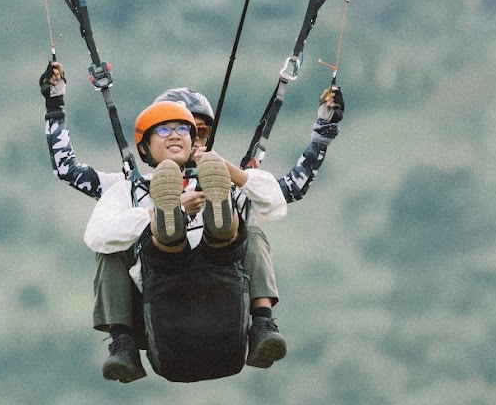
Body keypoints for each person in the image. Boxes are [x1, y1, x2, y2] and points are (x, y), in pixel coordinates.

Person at [43, 62, 343, 382]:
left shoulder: (230, 183)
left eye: (195, 130)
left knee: (248, 231)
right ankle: (124, 342)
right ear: (148, 143)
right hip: (161, 290)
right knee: (114, 246)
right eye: (168, 128)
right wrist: (54, 105)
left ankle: (262, 325)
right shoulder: (131, 187)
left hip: (222, 285)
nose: (187, 138)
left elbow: (289, 190)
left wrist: (323, 130)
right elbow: (69, 171)